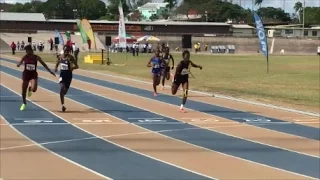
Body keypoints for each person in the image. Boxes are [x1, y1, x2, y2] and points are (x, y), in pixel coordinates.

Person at [17, 45, 56, 111]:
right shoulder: (24, 57)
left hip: (33, 74)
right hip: (26, 74)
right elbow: (19, 62)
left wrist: (50, 71)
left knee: (34, 89)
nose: (26, 52)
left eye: (27, 51)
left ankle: (30, 89)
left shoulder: (36, 57)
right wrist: (19, 64)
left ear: (31, 50)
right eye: (26, 51)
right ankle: (24, 103)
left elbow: (44, 64)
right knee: (23, 90)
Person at [54, 45, 79, 112]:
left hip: (69, 76)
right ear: (63, 50)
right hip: (62, 75)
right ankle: (63, 105)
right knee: (62, 88)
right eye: (65, 51)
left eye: (68, 51)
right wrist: (56, 68)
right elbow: (57, 64)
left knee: (64, 92)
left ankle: (62, 95)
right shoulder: (60, 57)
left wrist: (72, 68)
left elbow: (77, 66)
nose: (66, 52)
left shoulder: (71, 58)